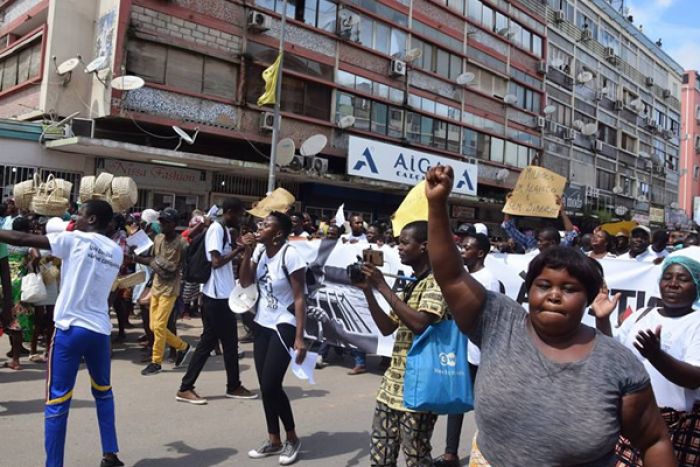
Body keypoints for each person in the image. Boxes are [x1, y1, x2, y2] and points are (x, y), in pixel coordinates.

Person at [425, 165, 675, 466]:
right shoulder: (498, 322)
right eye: (543, 285)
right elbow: (451, 276)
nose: (554, 295)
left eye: (569, 288)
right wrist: (437, 204)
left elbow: (654, 441)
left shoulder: (619, 364)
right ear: (529, 291)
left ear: (587, 298)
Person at [0, 200, 125, 467]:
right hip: (100, 331)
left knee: (57, 401)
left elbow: (22, 238)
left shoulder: (75, 240)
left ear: (91, 220)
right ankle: (110, 454)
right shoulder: (115, 250)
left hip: (70, 331)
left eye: (80, 214)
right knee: (103, 392)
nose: (75, 218)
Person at [593, 254, 700, 466]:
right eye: (667, 277)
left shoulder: (696, 323)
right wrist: (602, 319)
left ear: (697, 285)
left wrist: (656, 356)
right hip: (635, 420)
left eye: (683, 279)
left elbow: (694, 378)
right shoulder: (642, 315)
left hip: (679, 427)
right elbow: (614, 356)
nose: (673, 284)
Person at [358, 220, 449, 467]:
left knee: (416, 458)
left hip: (420, 390)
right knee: (380, 456)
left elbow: (420, 324)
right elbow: (387, 328)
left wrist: (382, 286)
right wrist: (368, 291)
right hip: (391, 387)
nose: (399, 248)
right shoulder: (411, 283)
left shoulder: (438, 282)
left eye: (405, 242)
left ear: (424, 246)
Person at [239, 211, 307, 465]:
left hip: (285, 325)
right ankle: (273, 439)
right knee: (265, 386)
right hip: (262, 323)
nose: (260, 227)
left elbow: (301, 297)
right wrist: (247, 252)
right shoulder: (258, 252)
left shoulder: (290, 255)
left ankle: (292, 438)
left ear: (278, 234)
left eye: (266, 225)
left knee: (270, 385)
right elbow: (245, 282)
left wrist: (300, 337)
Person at [176, 198, 256, 404]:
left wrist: (240, 248)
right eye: (239, 214)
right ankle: (186, 387)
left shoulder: (225, 231)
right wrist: (239, 250)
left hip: (222, 295)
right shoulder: (217, 230)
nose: (241, 218)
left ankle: (233, 385)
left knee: (226, 344)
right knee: (211, 343)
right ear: (229, 211)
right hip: (216, 297)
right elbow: (216, 262)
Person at [434, 232, 499, 467]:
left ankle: (488, 456)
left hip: (482, 354)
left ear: (480, 253)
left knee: (483, 407)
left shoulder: (488, 279)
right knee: (457, 400)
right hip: (464, 349)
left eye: (467, 248)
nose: (462, 251)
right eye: (461, 247)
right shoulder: (464, 277)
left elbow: (489, 316)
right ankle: (451, 454)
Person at [131, 208, 193, 376]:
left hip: (170, 289)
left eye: (165, 222)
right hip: (157, 286)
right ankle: (183, 347)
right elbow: (149, 257)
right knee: (153, 326)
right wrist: (136, 253)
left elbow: (179, 266)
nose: (162, 225)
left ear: (174, 224)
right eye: (161, 222)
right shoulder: (158, 239)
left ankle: (156, 362)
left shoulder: (182, 243)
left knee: (159, 326)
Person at [501, 196, 577, 254]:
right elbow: (509, 227)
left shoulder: (561, 250)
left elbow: (571, 233)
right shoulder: (532, 243)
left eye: (541, 241)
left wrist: (562, 212)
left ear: (553, 243)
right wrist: (509, 206)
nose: (538, 243)